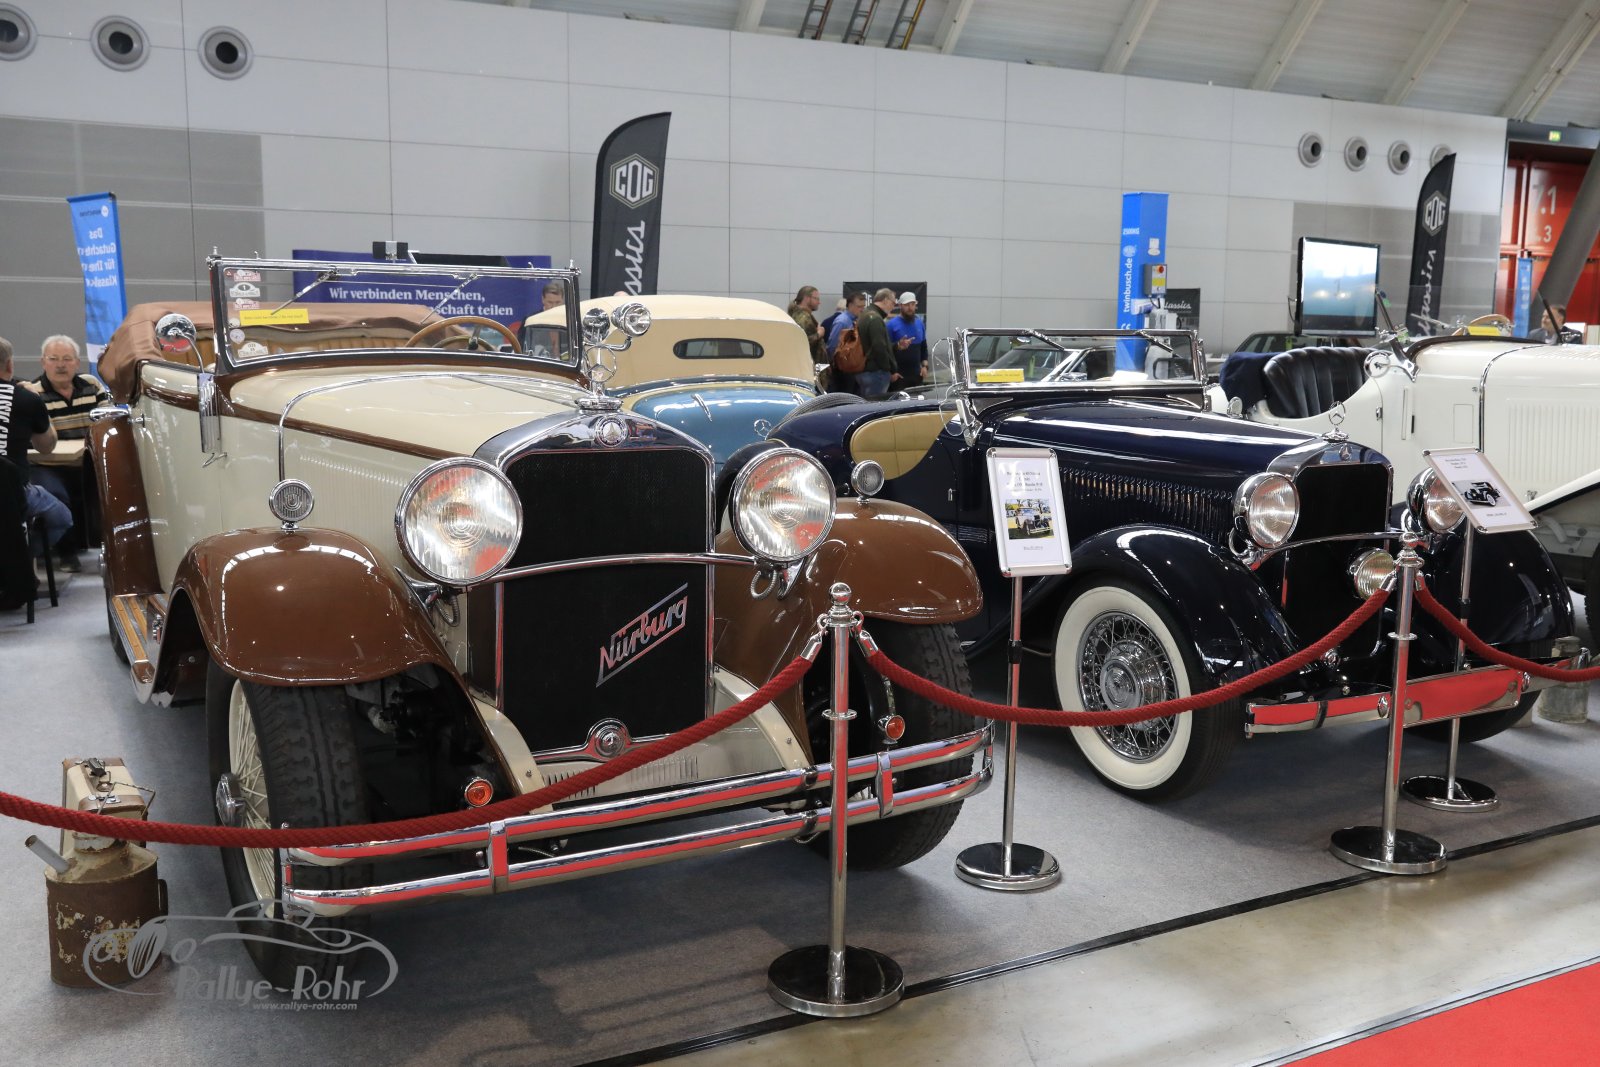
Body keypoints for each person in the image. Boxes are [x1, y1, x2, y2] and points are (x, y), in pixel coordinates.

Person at [23, 334, 107, 571]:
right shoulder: (33, 393)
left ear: (77, 362)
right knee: (56, 494)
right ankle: (67, 555)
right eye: (54, 359)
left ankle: (108, 548)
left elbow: (105, 421)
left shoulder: (92, 385)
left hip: (87, 461)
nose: (61, 365)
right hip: (48, 464)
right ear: (43, 362)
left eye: (67, 359)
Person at [0, 336, 72, 569]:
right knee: (61, 518)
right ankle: (17, 561)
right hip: (14, 492)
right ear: (10, 365)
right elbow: (46, 446)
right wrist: (37, 401)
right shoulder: (26, 398)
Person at [856, 288, 900, 400]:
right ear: (885, 300)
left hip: (865, 370)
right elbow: (879, 347)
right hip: (876, 372)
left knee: (866, 404)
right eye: (893, 303)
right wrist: (888, 369)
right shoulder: (875, 319)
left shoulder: (865, 314)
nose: (893, 307)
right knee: (875, 406)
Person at [826, 292, 867, 394]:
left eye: (863, 307)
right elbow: (832, 345)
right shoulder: (842, 322)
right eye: (859, 307)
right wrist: (833, 364)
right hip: (841, 370)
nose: (862, 309)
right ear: (850, 305)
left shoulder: (855, 321)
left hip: (850, 368)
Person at [886, 292, 928, 388]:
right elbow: (885, 351)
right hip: (898, 378)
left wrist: (925, 367)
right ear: (900, 305)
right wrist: (891, 373)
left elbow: (923, 348)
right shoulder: (891, 325)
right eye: (907, 305)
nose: (910, 308)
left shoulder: (920, 324)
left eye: (912, 304)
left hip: (917, 377)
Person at [787, 285, 827, 365]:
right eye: (816, 299)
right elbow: (802, 342)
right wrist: (819, 334)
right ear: (807, 298)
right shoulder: (803, 318)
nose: (819, 302)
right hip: (809, 366)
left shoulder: (799, 315)